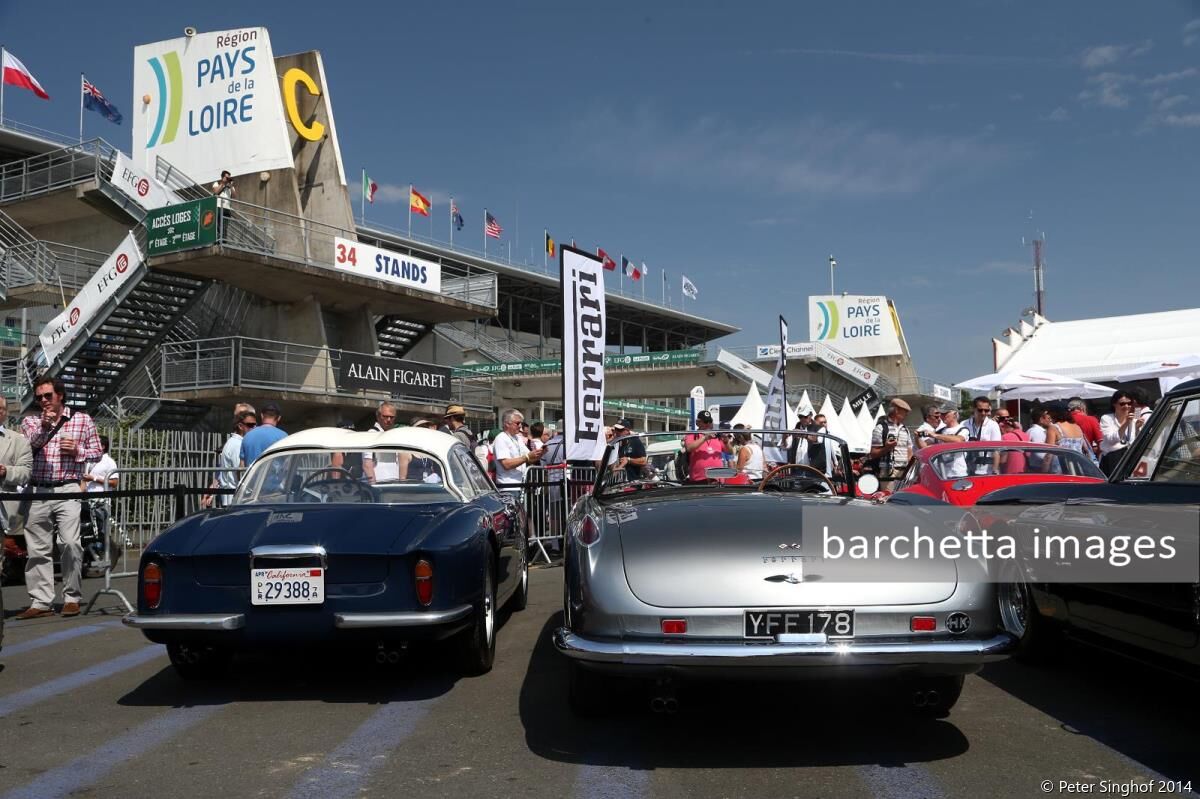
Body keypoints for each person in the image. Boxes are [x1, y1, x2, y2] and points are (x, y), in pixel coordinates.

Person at [17, 375, 103, 619]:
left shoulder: (81, 419)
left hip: (68, 487)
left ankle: (71, 597)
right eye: (39, 397)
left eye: (48, 395)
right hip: (38, 489)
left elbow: (97, 453)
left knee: (70, 543)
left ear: (60, 395)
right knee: (37, 549)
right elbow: (29, 447)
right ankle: (40, 601)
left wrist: (78, 451)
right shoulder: (31, 422)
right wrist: (45, 427)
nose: (43, 400)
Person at [206, 405, 256, 507]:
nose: (254, 428)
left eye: (255, 425)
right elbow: (240, 474)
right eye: (250, 425)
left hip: (231, 499)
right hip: (234, 500)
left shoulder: (234, 442)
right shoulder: (237, 445)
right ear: (240, 426)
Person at [0, 401, 32, 547]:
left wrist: (6, 471)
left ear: (5, 412)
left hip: (5, 511)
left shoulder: (19, 440)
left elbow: (26, 472)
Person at [493, 408, 542, 491]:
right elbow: (506, 464)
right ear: (507, 424)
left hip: (520, 485)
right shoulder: (501, 438)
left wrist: (540, 453)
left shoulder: (517, 438)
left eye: (521, 423)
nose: (520, 426)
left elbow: (530, 459)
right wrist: (527, 457)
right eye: (517, 423)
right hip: (508, 486)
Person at [82, 435, 119, 539]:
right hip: (86, 502)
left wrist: (94, 478)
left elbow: (114, 483)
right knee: (88, 531)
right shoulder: (89, 461)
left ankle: (103, 551)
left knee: (101, 530)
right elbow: (84, 480)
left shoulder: (109, 462)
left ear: (102, 446)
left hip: (101, 502)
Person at [868, 398, 913, 483]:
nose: (907, 414)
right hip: (887, 472)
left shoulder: (905, 429)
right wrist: (887, 448)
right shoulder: (881, 428)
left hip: (904, 472)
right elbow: (873, 454)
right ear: (896, 410)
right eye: (904, 411)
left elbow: (909, 451)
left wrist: (909, 469)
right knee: (888, 496)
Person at [1099, 389, 1141, 475]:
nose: (1126, 406)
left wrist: (1137, 428)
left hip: (1130, 458)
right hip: (1112, 460)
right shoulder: (1106, 418)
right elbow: (1111, 440)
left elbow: (1137, 442)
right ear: (1114, 404)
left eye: (1129, 403)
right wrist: (1126, 423)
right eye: (1122, 404)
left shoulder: (1135, 419)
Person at [683, 410, 730, 482]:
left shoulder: (718, 436)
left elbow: (730, 451)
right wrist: (705, 438)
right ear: (697, 422)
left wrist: (726, 442)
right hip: (699, 479)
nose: (708, 424)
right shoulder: (692, 435)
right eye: (705, 422)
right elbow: (689, 448)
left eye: (710, 421)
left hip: (718, 479)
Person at [961, 396, 1002, 475]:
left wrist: (995, 470)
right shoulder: (964, 424)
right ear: (974, 409)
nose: (983, 413)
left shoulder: (993, 425)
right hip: (966, 469)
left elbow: (996, 450)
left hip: (986, 471)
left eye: (986, 410)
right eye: (980, 410)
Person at [240, 402, 287, 468]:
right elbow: (287, 464)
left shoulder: (247, 436)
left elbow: (241, 466)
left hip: (252, 478)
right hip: (275, 478)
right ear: (279, 418)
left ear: (262, 416)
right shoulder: (284, 437)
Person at [362, 402, 400, 483]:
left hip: (393, 485)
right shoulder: (371, 434)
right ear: (378, 416)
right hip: (379, 486)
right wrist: (374, 486)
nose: (389, 419)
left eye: (391, 417)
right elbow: (367, 464)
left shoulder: (393, 435)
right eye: (385, 416)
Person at [1044, 401, 1089, 469]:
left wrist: (1044, 470)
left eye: (1050, 413)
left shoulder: (1054, 428)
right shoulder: (1077, 427)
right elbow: (1085, 449)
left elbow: (1049, 454)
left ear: (1055, 413)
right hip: (1078, 469)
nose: (1050, 416)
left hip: (1060, 469)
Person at [995, 409, 1029, 474]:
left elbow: (1003, 461)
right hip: (1024, 472)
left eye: (1007, 417)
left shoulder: (1005, 437)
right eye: (1002, 418)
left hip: (1009, 473)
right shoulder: (1025, 435)